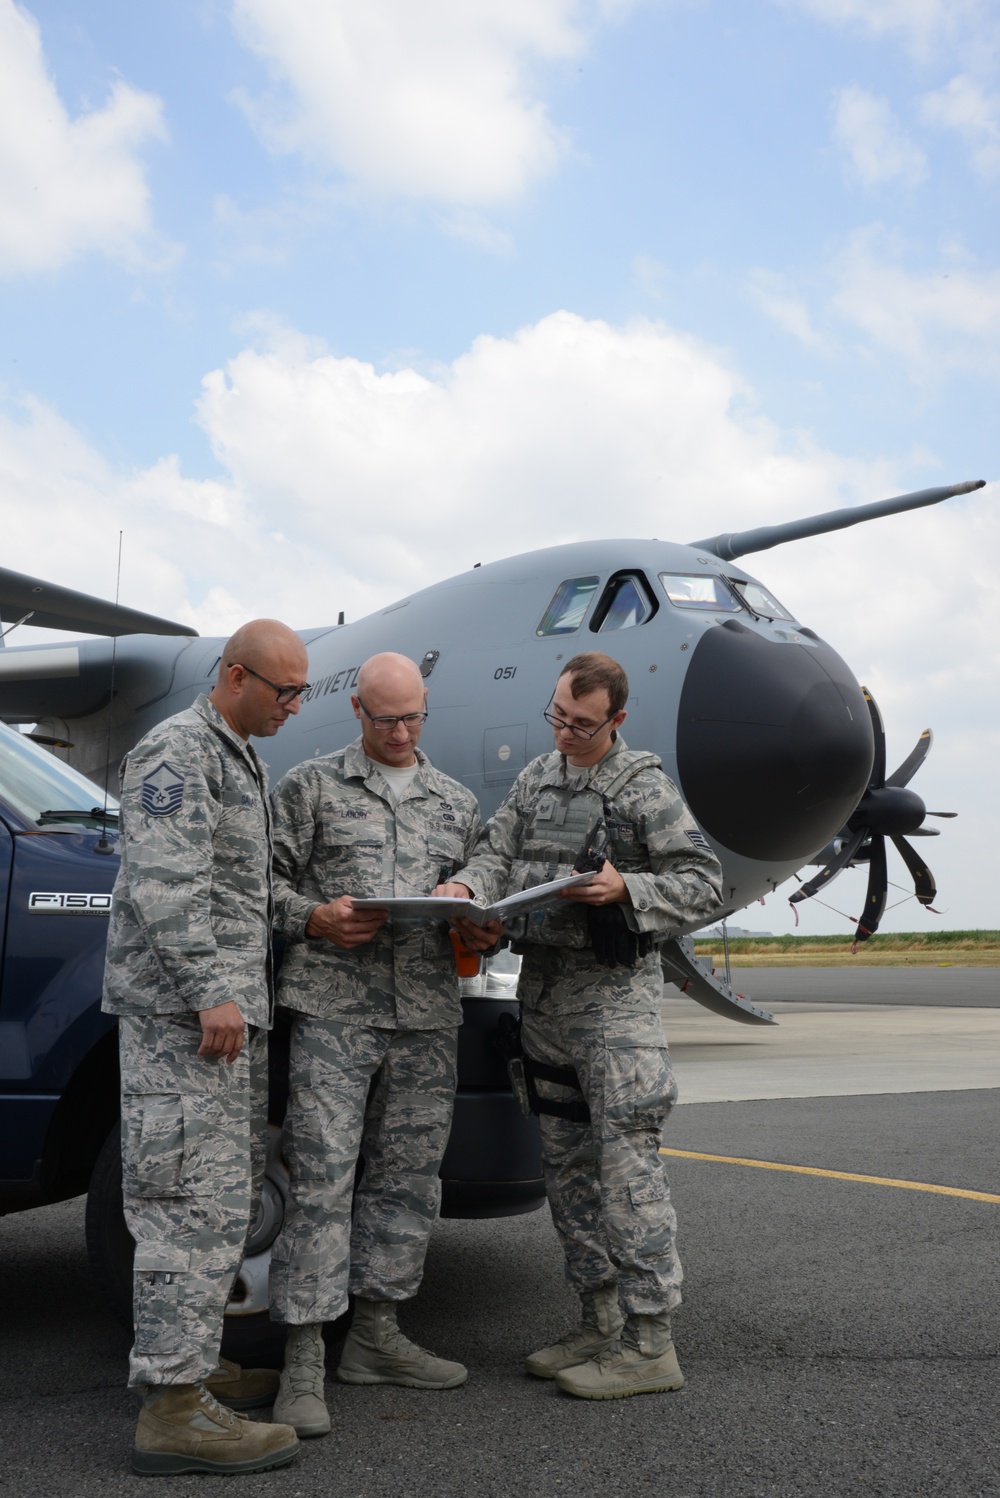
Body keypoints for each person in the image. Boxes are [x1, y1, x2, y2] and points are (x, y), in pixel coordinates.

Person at [437, 651, 723, 1400]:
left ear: (616, 720)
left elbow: (702, 881)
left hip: (614, 1002)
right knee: (565, 1167)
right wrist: (469, 888)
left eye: (582, 723)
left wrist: (630, 884)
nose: (565, 731)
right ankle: (598, 1320)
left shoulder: (642, 787)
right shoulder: (538, 777)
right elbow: (499, 849)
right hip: (545, 996)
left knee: (627, 1171)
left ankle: (651, 1341)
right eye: (557, 715)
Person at [102, 619, 309, 1475]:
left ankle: (189, 1369)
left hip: (221, 1026)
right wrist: (209, 990)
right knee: (184, 1205)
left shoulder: (237, 752)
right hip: (187, 1024)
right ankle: (172, 1409)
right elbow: (164, 882)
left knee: (221, 1204)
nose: (297, 705)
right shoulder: (176, 753)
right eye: (285, 692)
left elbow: (240, 891)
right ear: (235, 676)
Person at [268, 652, 482, 1437]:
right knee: (321, 1183)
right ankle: (302, 1360)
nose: (401, 732)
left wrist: (481, 920)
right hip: (335, 1013)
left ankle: (377, 1337)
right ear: (356, 708)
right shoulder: (311, 787)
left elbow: (474, 895)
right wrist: (316, 917)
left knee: (407, 1182)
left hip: (426, 1018)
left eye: (415, 717)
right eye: (387, 718)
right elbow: (264, 885)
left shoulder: (455, 803)